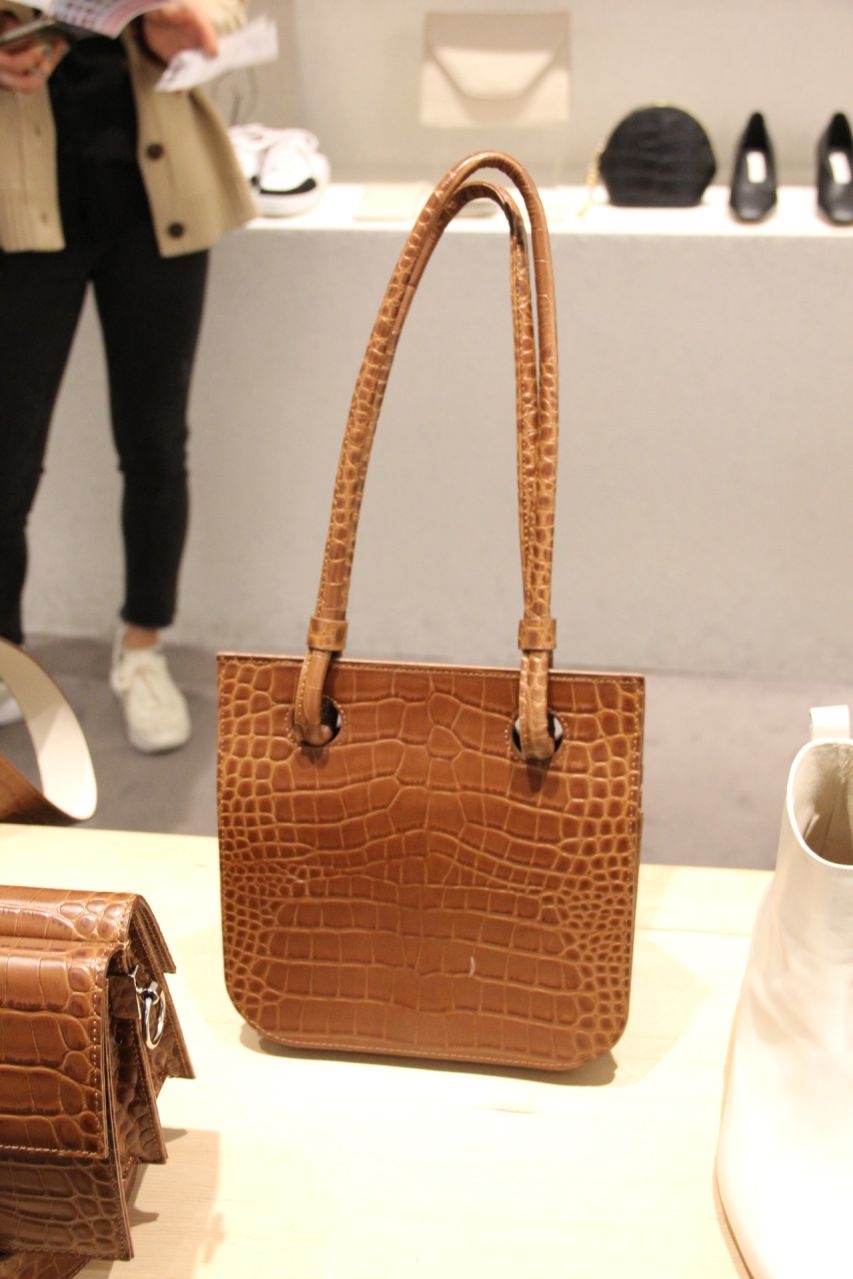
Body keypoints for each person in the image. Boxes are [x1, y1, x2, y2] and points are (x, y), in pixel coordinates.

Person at [0, 0, 254, 750]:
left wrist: (175, 24)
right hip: (19, 199)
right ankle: (6, 655)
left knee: (154, 443)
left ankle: (143, 646)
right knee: (7, 455)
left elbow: (229, 12)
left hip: (155, 197)